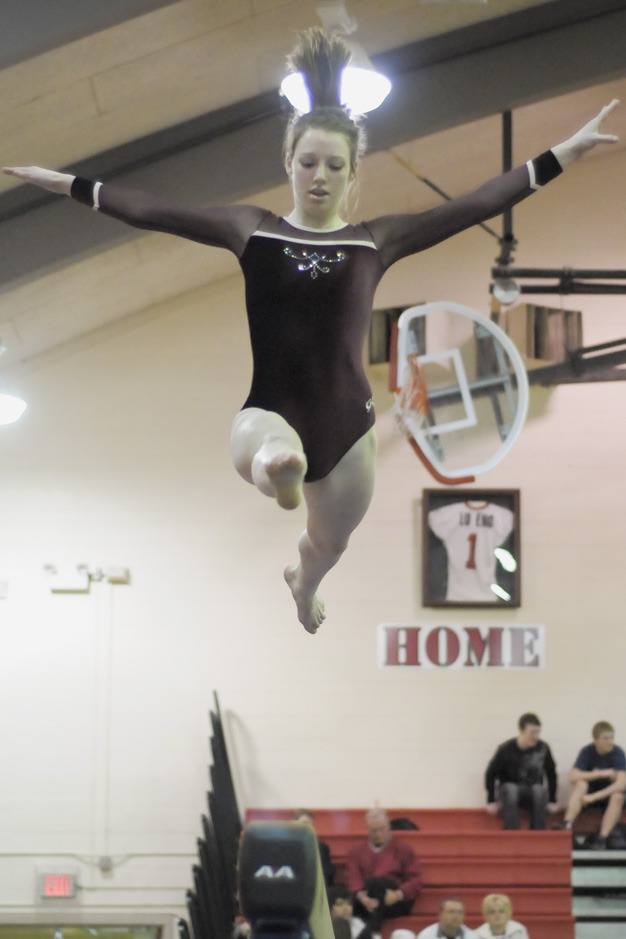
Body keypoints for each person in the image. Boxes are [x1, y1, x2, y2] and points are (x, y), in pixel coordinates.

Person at [4, 31, 619, 634]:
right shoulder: (253, 230)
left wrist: (564, 152)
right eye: (307, 163)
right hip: (269, 409)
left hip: (350, 427)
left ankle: (306, 581)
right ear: (288, 164)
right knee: (271, 448)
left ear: (352, 174)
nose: (319, 176)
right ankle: (279, 467)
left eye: (334, 165)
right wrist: (67, 184)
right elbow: (154, 211)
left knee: (328, 542)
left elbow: (475, 204)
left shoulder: (374, 242)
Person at [346, 808, 421, 933]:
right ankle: (373, 930)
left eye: (382, 829)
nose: (379, 834)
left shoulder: (403, 849)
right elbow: (353, 878)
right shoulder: (356, 852)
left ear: (389, 828)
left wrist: (398, 894)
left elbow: (415, 880)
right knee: (372, 884)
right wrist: (363, 898)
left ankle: (372, 931)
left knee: (377, 883)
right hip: (367, 899)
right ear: (368, 830)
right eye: (374, 830)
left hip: (395, 900)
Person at [556, 720, 626, 848]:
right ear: (596, 740)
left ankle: (602, 839)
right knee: (581, 784)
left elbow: (622, 783)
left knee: (618, 795)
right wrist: (599, 774)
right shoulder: (587, 751)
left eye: (611, 737)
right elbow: (573, 776)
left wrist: (593, 797)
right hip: (588, 796)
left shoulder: (618, 752)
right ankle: (567, 825)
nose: (610, 741)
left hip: (606, 796)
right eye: (605, 738)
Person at [485, 712, 559, 829]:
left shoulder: (543, 748)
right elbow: (490, 773)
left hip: (532, 792)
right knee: (511, 789)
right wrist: (490, 800)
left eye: (537, 732)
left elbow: (551, 773)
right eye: (532, 733)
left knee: (539, 789)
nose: (535, 736)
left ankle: (538, 830)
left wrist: (553, 800)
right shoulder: (505, 749)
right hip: (509, 793)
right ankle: (512, 830)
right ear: (521, 731)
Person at [295, 809, 335, 885]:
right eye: (303, 823)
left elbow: (326, 873)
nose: (306, 827)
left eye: (310, 824)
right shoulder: (288, 848)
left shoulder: (321, 848)